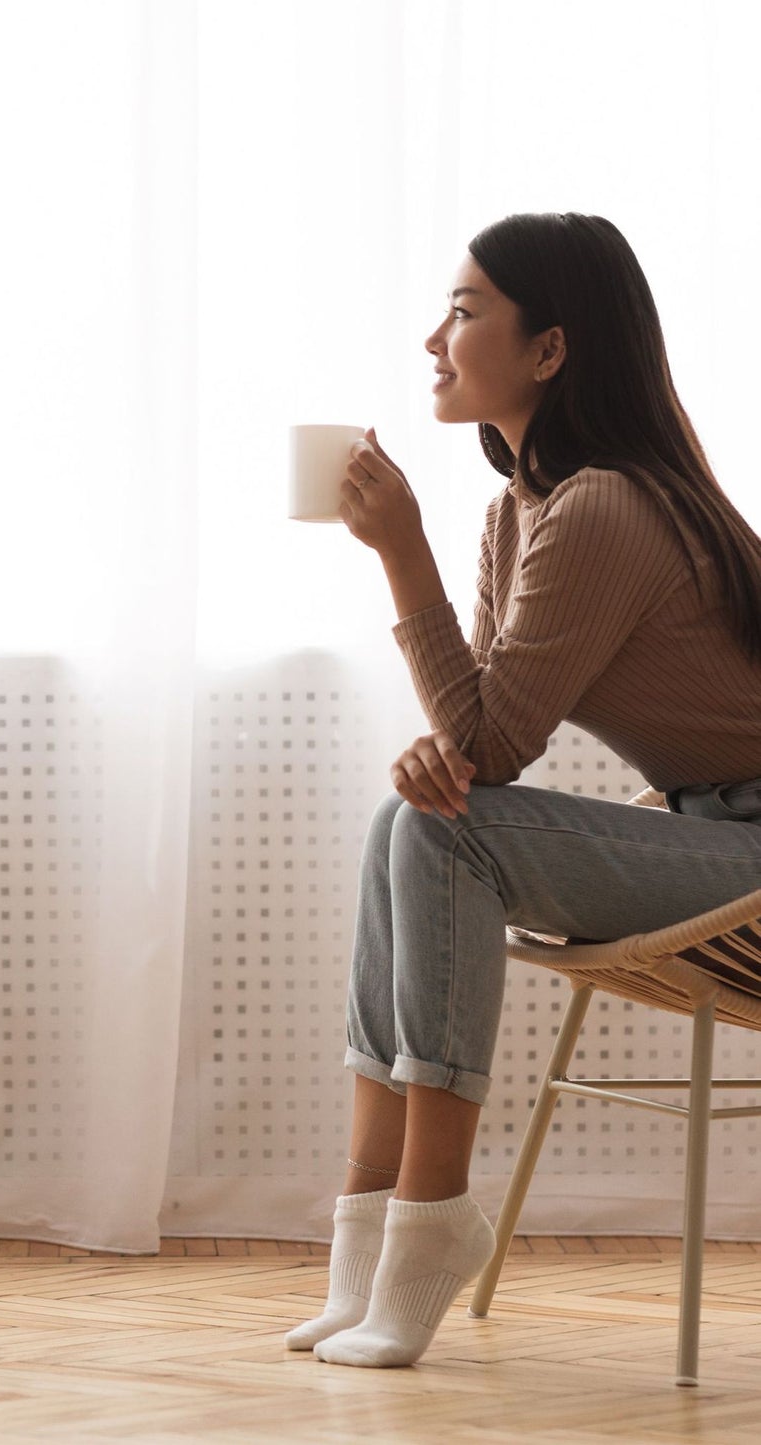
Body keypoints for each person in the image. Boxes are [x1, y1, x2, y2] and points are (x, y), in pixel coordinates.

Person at [287, 212, 761, 1369]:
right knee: (415, 816)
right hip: (709, 832)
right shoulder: (522, 511)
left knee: (444, 832)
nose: (432, 338)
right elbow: (479, 745)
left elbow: (489, 744)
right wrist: (429, 757)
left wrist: (398, 549)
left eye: (462, 309)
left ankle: (426, 1219)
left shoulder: (602, 506)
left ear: (548, 349)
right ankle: (373, 1247)